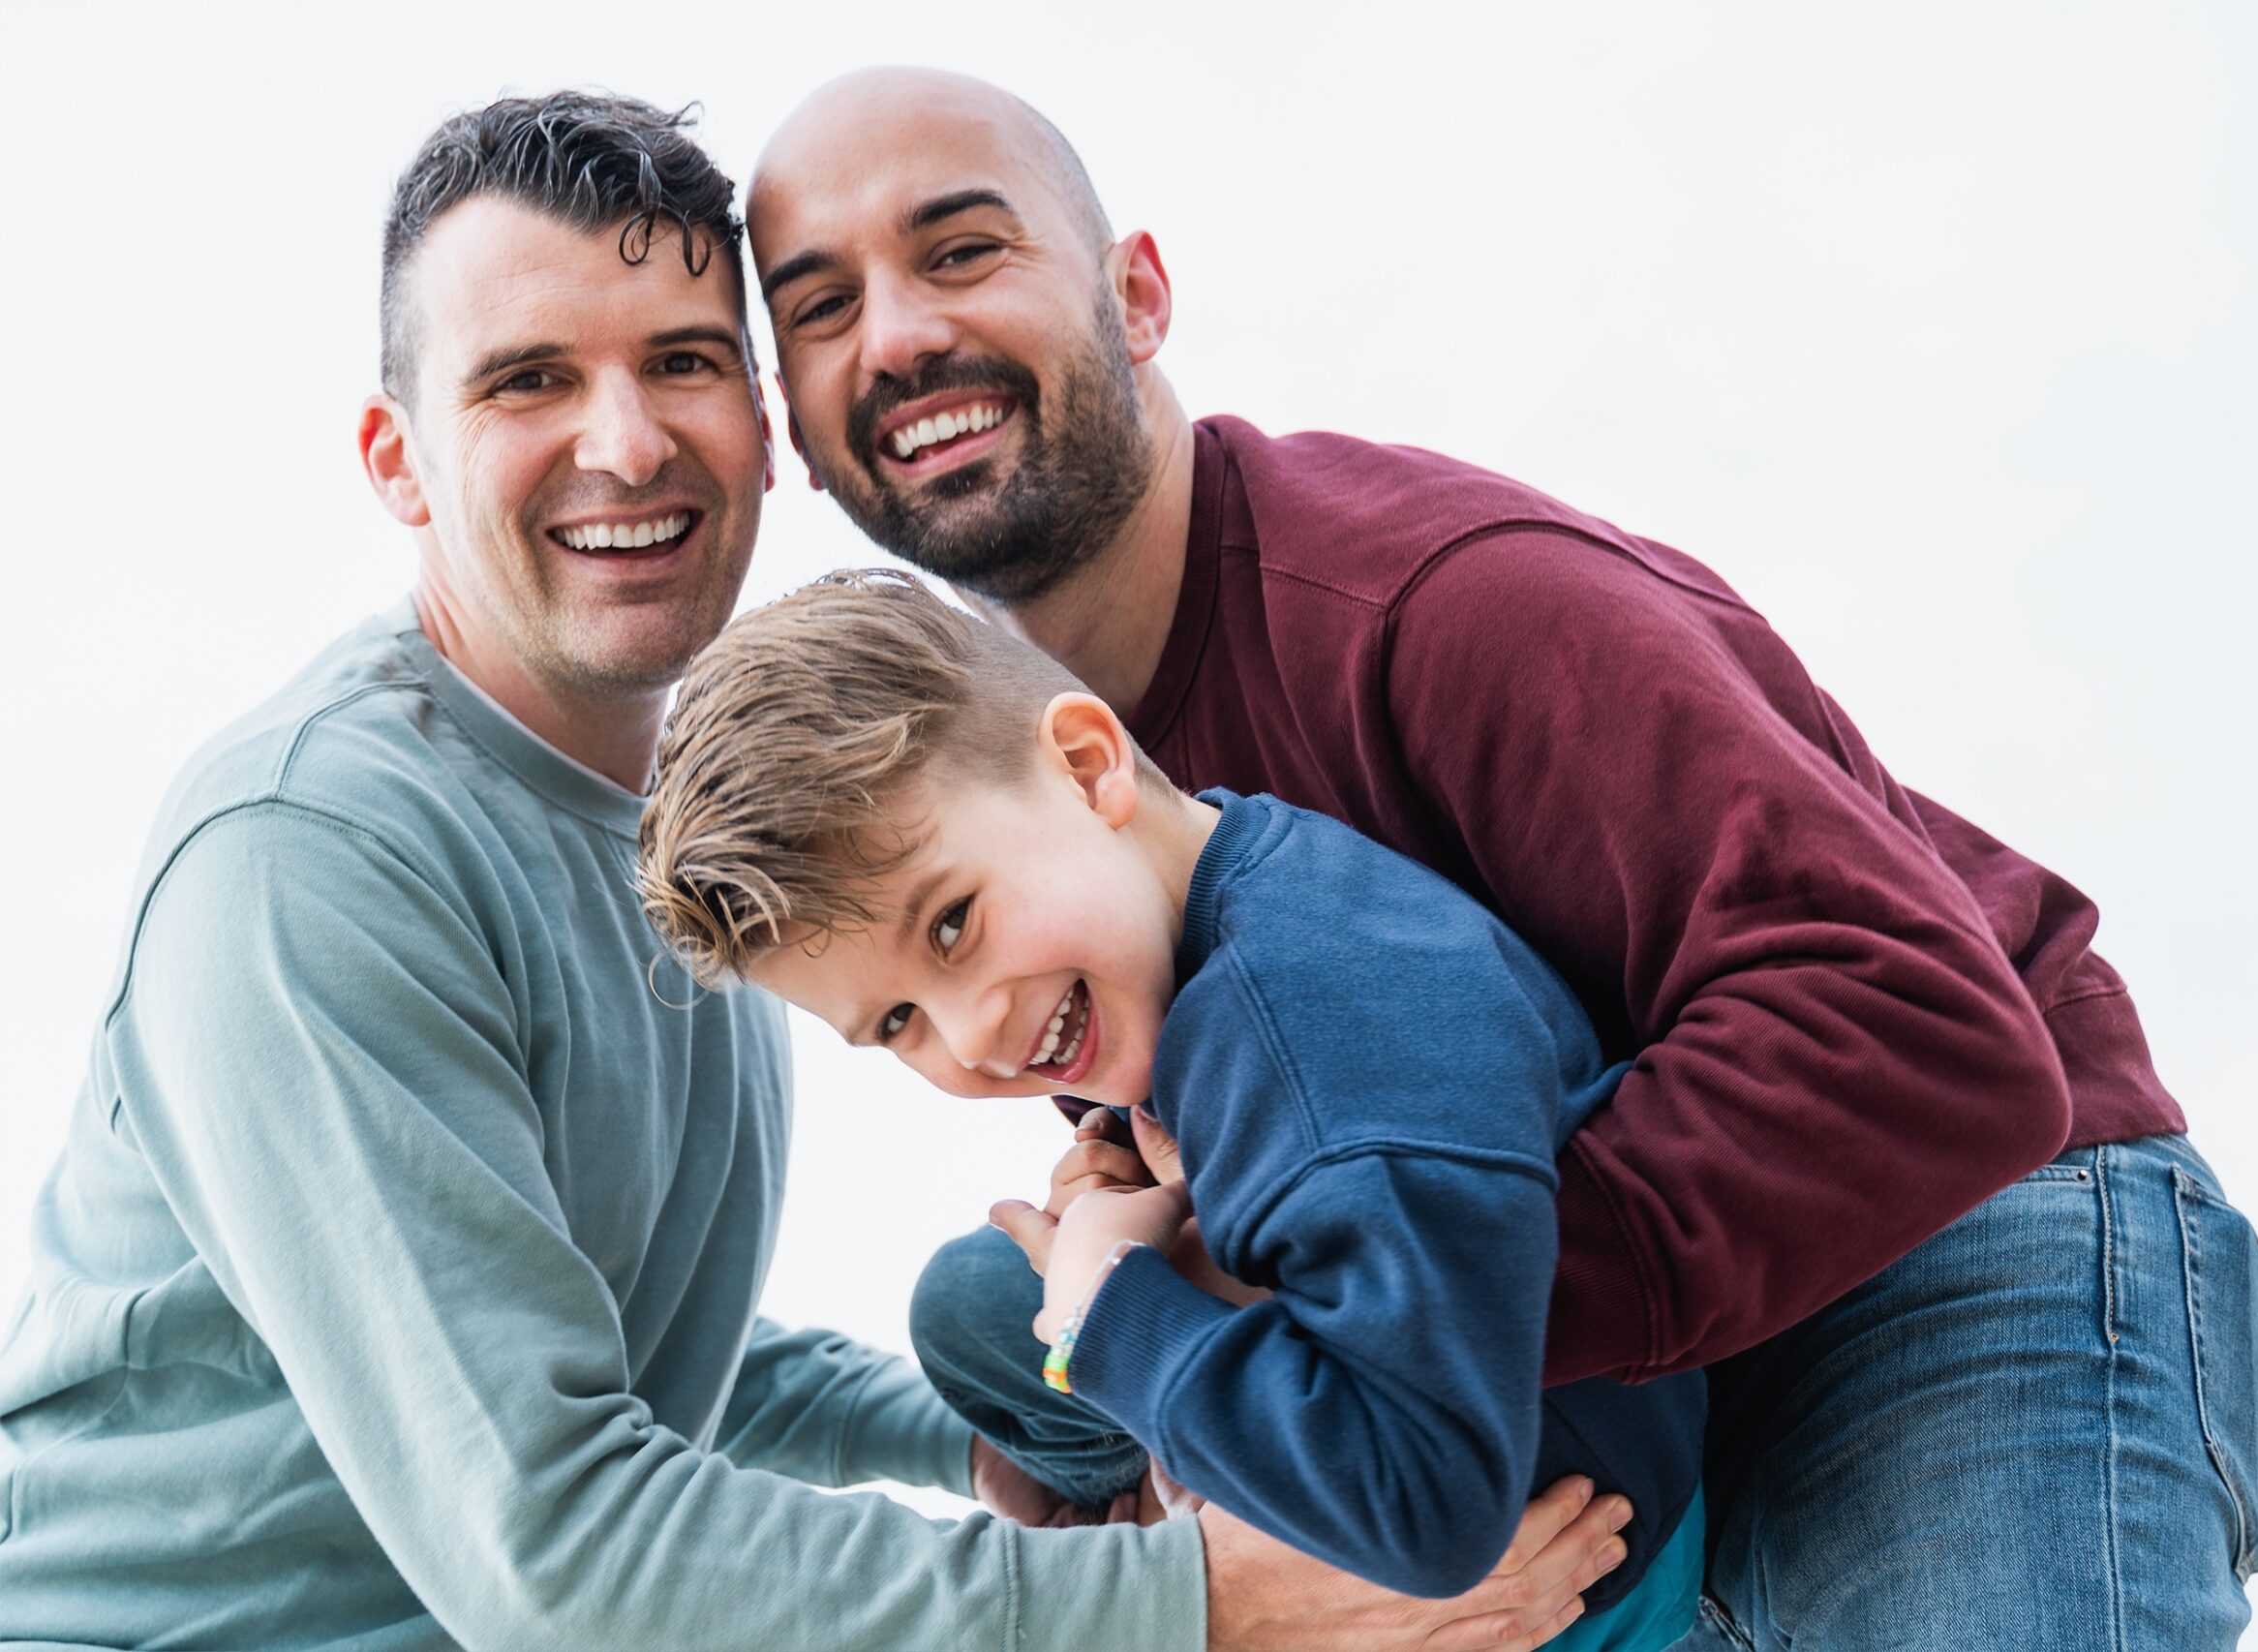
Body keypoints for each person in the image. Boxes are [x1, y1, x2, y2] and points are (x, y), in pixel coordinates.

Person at [0, 91, 1626, 1652]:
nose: (625, 443)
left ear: (766, 432)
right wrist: (1201, 1603)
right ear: (396, 460)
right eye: (528, 381)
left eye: (684, 363)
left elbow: (597, 1351)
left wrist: (991, 1432)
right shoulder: (309, 865)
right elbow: (557, 1557)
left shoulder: (711, 851)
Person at [745, 68, 2258, 1649]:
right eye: (821, 306)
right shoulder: (1022, 845)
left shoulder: (1438, 606)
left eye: (961, 251)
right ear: (795, 420)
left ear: (1137, 297)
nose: (900, 332)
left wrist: (1340, 1309)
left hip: (1958, 1241)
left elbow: (1930, 1044)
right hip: (1640, 1395)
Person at [637, 568, 1710, 1646]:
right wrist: (1147, 1200)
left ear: (1084, 763)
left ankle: (1209, 1517)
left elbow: (1433, 1512)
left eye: (952, 924)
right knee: (973, 1301)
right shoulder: (1238, 882)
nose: (967, 1035)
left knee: (1074, 1311)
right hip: (1423, 1347)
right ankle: (1184, 1485)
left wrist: (1114, 1306)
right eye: (898, 1020)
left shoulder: (1301, 1038)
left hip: (1578, 1557)